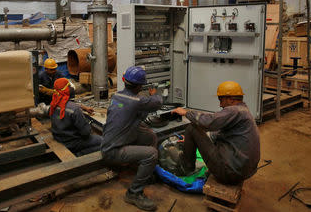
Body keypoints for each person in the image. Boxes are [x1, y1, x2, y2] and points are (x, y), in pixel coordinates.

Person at [171, 81, 261, 185]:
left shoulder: (235, 111)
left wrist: (186, 112)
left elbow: (210, 122)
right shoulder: (243, 112)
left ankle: (186, 167)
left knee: (191, 128)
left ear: (231, 99)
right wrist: (191, 141)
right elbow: (218, 133)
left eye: (221, 99)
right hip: (243, 172)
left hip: (229, 173)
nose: (220, 104)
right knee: (198, 133)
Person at [101, 66, 162, 211]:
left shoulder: (116, 96)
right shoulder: (138, 101)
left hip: (109, 141)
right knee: (152, 154)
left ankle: (146, 174)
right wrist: (154, 93)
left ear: (123, 81)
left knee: (150, 136)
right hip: (113, 151)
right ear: (141, 86)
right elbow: (158, 102)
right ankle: (134, 193)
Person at [49, 78, 102, 156]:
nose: (71, 88)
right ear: (66, 90)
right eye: (69, 86)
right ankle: (79, 154)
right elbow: (86, 133)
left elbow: (66, 105)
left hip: (59, 137)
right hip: (72, 142)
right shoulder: (74, 110)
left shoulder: (53, 104)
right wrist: (87, 125)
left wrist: (84, 107)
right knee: (103, 141)